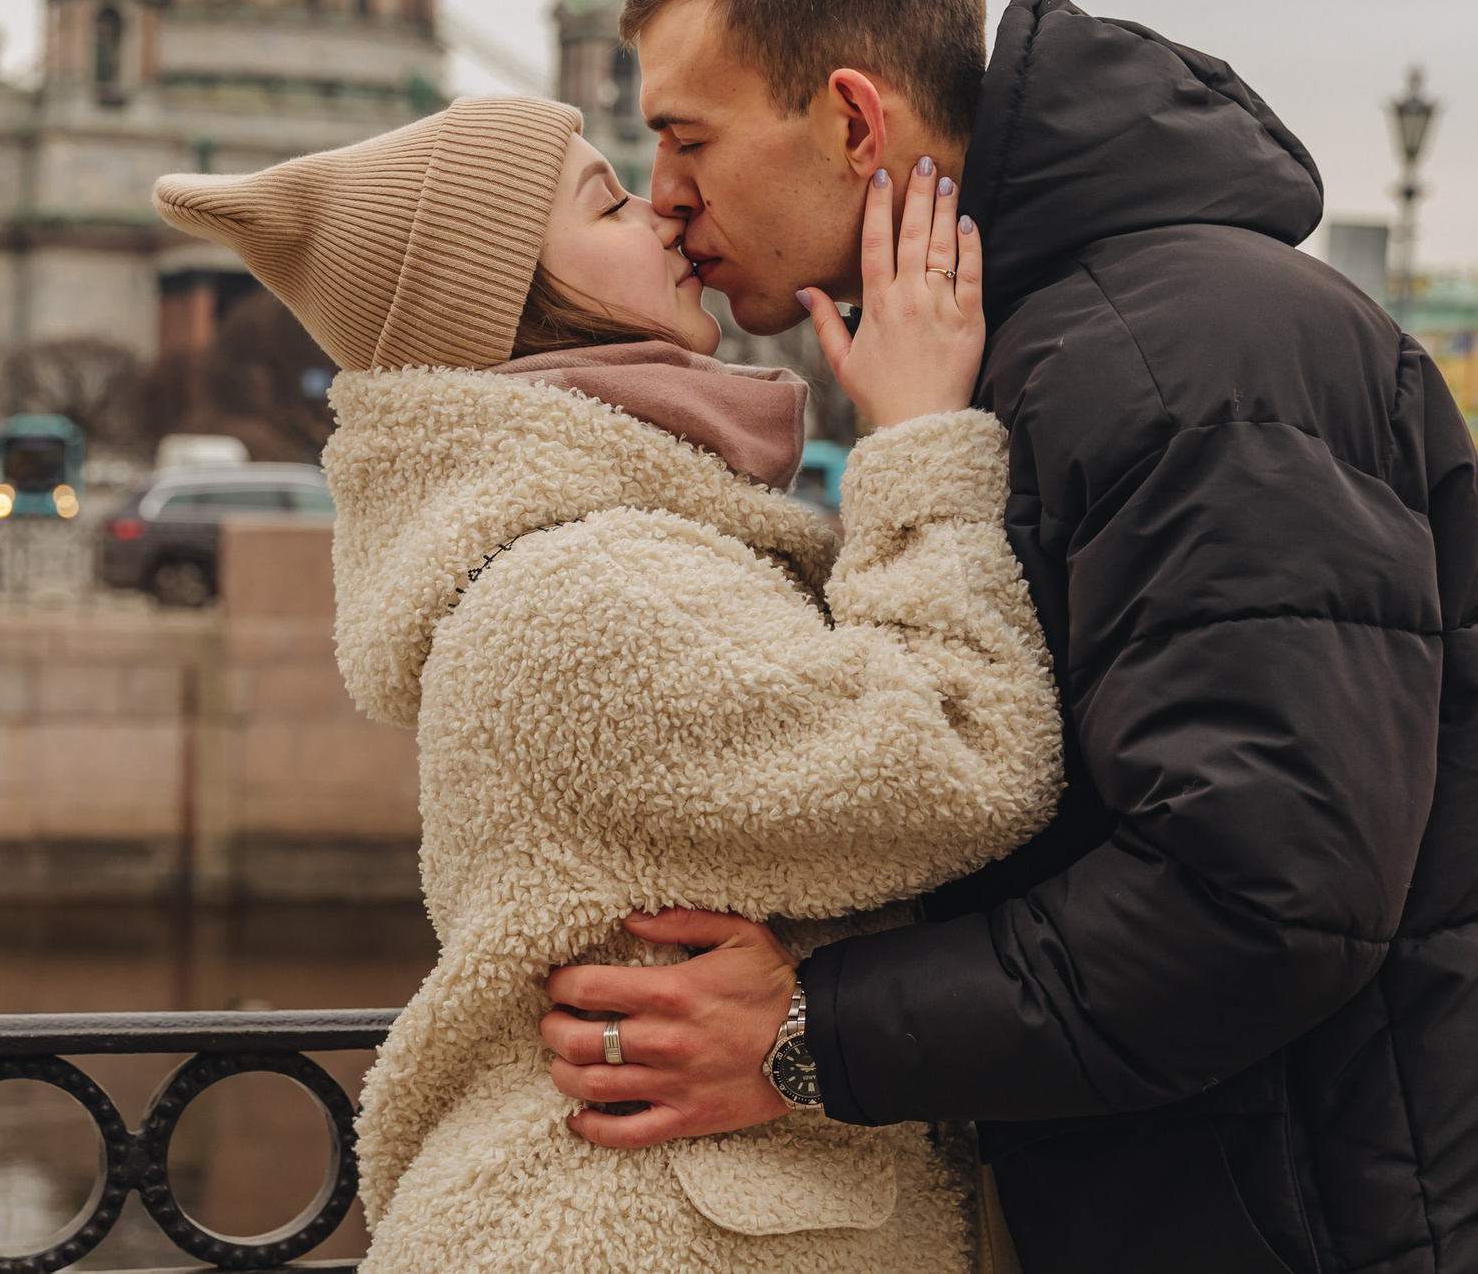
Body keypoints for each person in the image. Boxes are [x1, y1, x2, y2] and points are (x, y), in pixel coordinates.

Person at [544, 0, 1478, 1274]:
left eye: (687, 140)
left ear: (853, 120)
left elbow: (1260, 895)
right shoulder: (1069, 345)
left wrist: (811, 1032)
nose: (666, 199)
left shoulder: (1187, 362)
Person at [153, 96, 1066, 1273]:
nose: (664, 211)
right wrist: (919, 438)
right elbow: (964, 754)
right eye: (607, 203)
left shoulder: (593, 549)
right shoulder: (592, 585)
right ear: (506, 303)